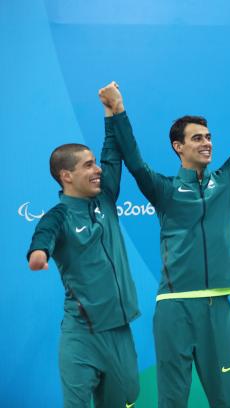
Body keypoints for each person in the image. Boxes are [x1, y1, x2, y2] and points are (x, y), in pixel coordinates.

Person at [98, 43, 230, 407]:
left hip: (218, 306)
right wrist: (117, 112)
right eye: (197, 138)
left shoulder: (229, 180)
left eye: (209, 137)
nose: (207, 143)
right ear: (177, 147)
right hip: (174, 307)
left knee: (226, 401)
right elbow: (135, 162)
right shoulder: (165, 190)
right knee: (172, 401)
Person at [26, 97, 141, 407]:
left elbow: (112, 154)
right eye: (88, 165)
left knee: (128, 397)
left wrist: (109, 113)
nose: (98, 169)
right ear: (67, 176)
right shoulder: (58, 216)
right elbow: (43, 237)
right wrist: (39, 255)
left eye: (95, 163)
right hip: (82, 334)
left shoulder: (104, 198)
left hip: (119, 330)